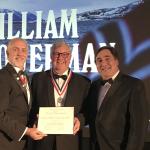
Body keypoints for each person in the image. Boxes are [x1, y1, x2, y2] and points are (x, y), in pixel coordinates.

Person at [30, 40, 91, 150]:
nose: (60, 57)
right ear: (50, 56)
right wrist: (35, 120)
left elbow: (88, 111)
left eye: (65, 54)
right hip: (43, 141)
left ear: (70, 57)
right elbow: (31, 108)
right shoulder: (37, 79)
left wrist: (80, 120)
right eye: (56, 53)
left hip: (71, 142)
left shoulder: (84, 82)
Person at [86, 46, 148, 150]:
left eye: (107, 58)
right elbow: (91, 116)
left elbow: (139, 127)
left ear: (116, 61)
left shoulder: (134, 85)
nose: (103, 63)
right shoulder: (94, 86)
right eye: (99, 60)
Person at [0, 38, 46, 150]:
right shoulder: (2, 76)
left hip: (23, 142)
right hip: (6, 143)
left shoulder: (26, 76)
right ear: (7, 53)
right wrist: (26, 131)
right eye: (15, 49)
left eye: (24, 50)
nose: (20, 53)